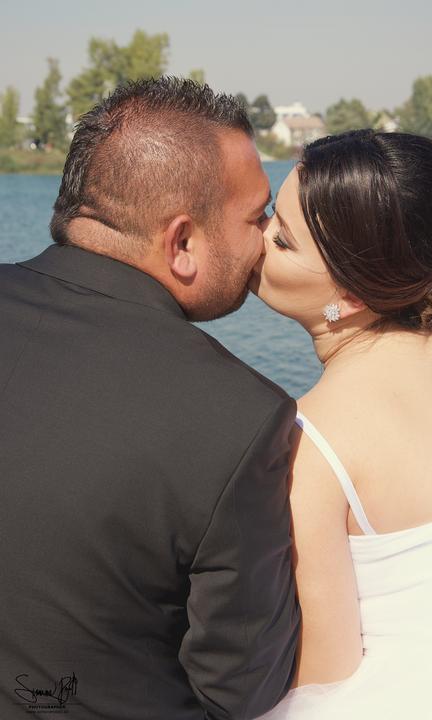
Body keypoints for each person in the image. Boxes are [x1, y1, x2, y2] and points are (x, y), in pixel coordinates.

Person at [0, 78, 300, 720]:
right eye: (257, 217)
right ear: (182, 243)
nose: (265, 239)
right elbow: (242, 691)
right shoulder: (239, 420)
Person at [251, 130, 432, 719]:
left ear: (350, 295)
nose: (257, 236)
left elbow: (327, 673)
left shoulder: (313, 438)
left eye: (281, 238)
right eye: (270, 212)